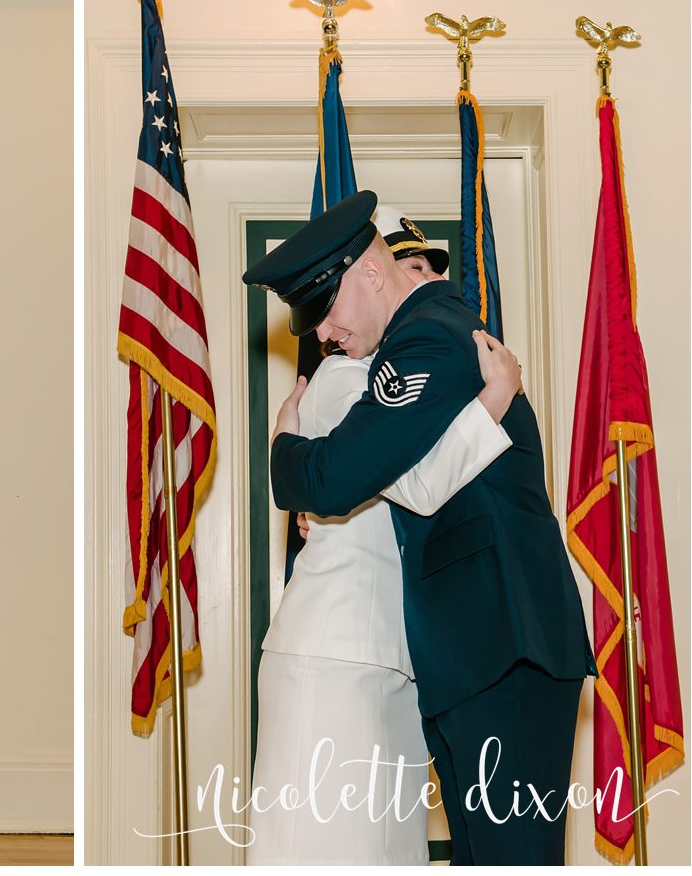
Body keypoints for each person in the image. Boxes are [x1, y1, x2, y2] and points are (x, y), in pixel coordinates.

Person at [246, 190, 595, 865]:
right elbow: (416, 485)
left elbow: (344, 476)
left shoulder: (426, 335)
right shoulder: (416, 341)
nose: (322, 335)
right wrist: (492, 400)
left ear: (372, 274)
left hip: (501, 648)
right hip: (475, 652)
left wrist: (283, 450)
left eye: (326, 311)